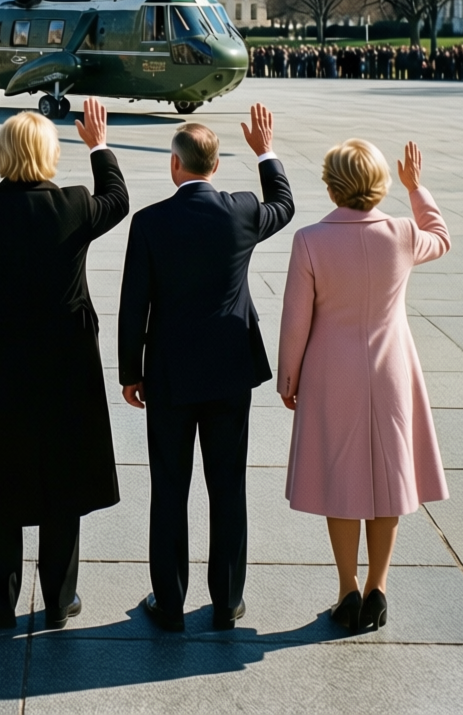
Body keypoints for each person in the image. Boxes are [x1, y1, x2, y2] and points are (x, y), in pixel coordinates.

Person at [0, 99, 129, 631]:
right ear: (50, 154)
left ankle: (0, 598)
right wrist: (99, 146)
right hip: (66, 364)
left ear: (2, 154)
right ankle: (59, 598)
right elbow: (118, 199)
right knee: (62, 476)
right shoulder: (74, 204)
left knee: (0, 476)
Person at [118, 104, 295, 632]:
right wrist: (266, 151)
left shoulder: (150, 222)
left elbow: (133, 304)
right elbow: (284, 205)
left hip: (169, 374)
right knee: (228, 486)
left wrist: (130, 372)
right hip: (228, 371)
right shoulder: (242, 211)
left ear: (176, 165)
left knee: (170, 489)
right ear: (215, 166)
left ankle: (169, 601)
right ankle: (227, 600)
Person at [277, 139, 449, 634]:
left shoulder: (310, 240)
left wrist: (289, 378)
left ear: (332, 187)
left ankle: (347, 589)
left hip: (331, 371)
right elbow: (441, 236)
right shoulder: (403, 233)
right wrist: (416, 189)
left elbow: (295, 319)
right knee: (388, 479)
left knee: (341, 479)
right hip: (391, 369)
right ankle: (378, 588)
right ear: (380, 183)